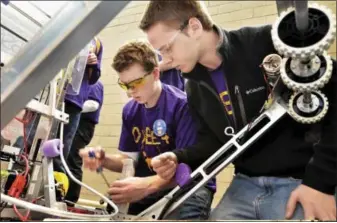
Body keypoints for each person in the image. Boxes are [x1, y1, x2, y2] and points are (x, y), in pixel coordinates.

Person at [138, 0, 337, 221]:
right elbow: (214, 143)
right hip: (245, 184)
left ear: (194, 27)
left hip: (301, 180)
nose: (165, 60)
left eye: (166, 48)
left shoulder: (267, 42)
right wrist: (177, 157)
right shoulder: (193, 86)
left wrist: (320, 183)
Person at [79, 40, 214, 219]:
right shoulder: (130, 111)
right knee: (105, 212)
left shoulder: (183, 106)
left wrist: (146, 186)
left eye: (137, 82)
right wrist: (104, 159)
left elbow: (189, 168)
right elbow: (129, 160)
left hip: (188, 184)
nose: (131, 91)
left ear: (156, 73)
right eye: (125, 85)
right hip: (148, 183)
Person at [53, 37, 103, 174]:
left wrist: (94, 64)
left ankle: (56, 187)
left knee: (63, 150)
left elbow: (94, 78)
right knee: (34, 140)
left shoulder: (96, 43)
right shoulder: (65, 31)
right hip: (51, 93)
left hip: (74, 101)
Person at [64, 80, 104, 204]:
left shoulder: (94, 83)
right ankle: (64, 194)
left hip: (83, 125)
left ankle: (70, 200)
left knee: (72, 159)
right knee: (66, 158)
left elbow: (93, 104)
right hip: (73, 122)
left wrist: (70, 108)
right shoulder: (79, 83)